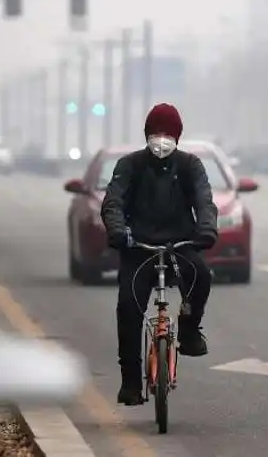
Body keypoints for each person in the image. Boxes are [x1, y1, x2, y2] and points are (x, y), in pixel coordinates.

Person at [101, 103, 218, 406]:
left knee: (201, 276)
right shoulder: (130, 165)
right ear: (146, 135)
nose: (161, 140)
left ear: (178, 136)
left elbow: (205, 201)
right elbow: (113, 201)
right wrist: (117, 232)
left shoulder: (190, 165)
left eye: (168, 134)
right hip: (139, 248)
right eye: (156, 133)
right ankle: (130, 383)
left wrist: (206, 230)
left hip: (180, 245)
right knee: (128, 309)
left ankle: (190, 332)